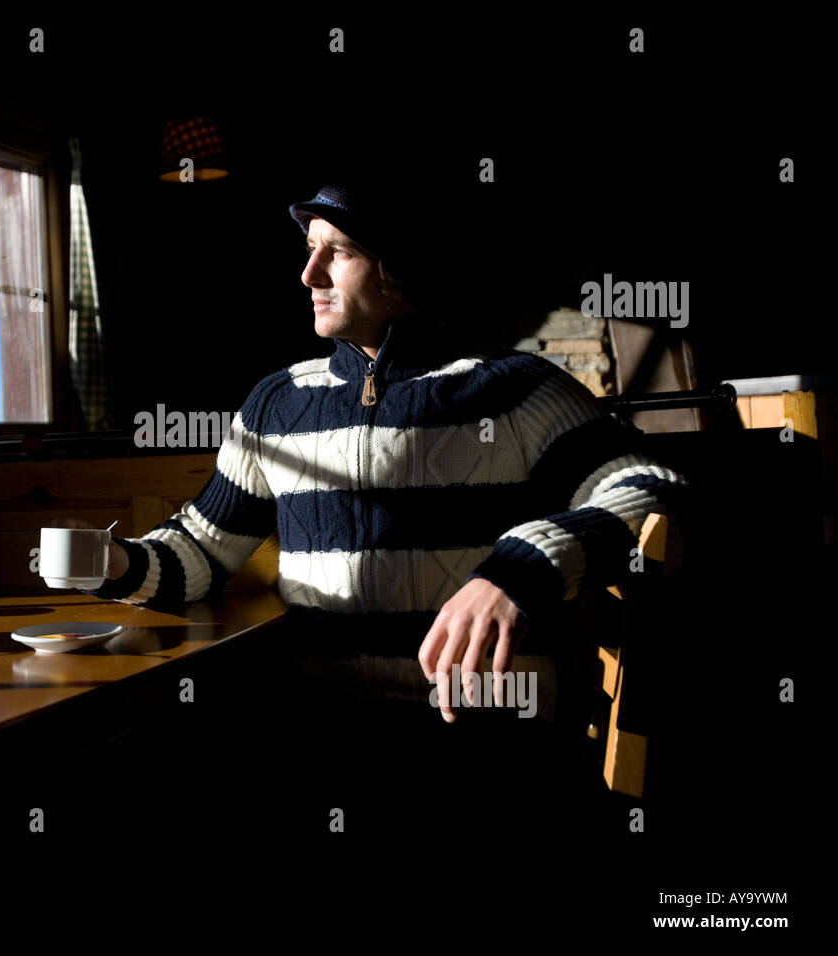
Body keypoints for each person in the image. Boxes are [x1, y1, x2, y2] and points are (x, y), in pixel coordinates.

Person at [76, 173, 690, 727]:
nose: (309, 275)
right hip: (320, 724)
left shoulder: (512, 388)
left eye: (337, 252)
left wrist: (521, 568)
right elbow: (200, 554)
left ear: (397, 269)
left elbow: (657, 489)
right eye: (309, 250)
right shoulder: (277, 403)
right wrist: (114, 564)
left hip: (480, 731)